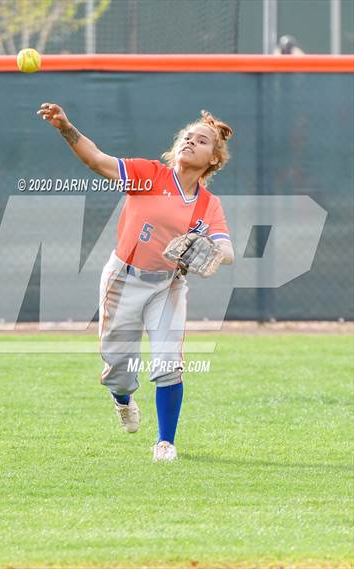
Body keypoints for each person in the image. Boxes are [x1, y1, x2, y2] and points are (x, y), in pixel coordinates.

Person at [37, 103, 234, 461]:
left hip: (168, 285)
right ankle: (122, 398)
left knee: (168, 362)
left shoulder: (208, 205)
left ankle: (165, 442)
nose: (190, 141)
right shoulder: (150, 175)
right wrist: (66, 127)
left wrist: (209, 249)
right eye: (187, 136)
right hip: (123, 279)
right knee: (119, 370)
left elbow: (227, 249)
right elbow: (97, 160)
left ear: (213, 160)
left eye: (201, 141)